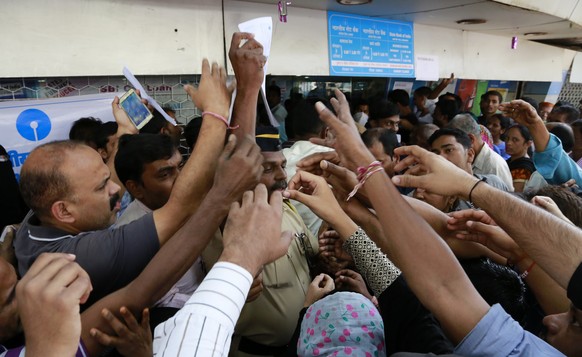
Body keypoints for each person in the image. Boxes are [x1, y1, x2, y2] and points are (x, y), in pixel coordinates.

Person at [309, 88, 574, 355]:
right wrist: (363, 193)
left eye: (575, 322)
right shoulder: (504, 251)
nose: (550, 319)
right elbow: (444, 232)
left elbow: (427, 284)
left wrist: (364, 188)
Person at [14, 58, 235, 307]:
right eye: (102, 187)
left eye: (107, 180)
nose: (117, 189)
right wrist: (216, 114)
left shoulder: (40, 214)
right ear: (63, 211)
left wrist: (124, 129)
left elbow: (98, 180)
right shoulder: (83, 257)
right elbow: (181, 205)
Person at [202, 127, 319, 357]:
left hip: (301, 344)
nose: (282, 176)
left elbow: (310, 252)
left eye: (283, 165)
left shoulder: (285, 207)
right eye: (268, 168)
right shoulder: (227, 220)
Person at [500, 99, 582, 186]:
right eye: (550, 119)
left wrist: (534, 125)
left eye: (515, 140)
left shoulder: (525, 167)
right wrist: (534, 124)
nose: (509, 143)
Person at [448, 113, 514, 191]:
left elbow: (505, 200)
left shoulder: (495, 165)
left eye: (454, 145)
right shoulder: (465, 157)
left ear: (471, 139)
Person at [505, 124, 536, 192]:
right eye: (507, 138)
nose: (508, 143)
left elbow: (515, 196)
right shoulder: (510, 161)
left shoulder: (523, 169)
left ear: (528, 144)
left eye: (515, 140)